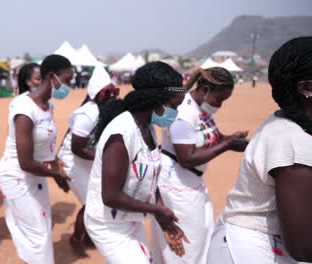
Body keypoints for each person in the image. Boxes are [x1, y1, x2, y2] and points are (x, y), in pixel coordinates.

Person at [207, 37, 312, 263]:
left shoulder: (291, 123)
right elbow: (303, 247)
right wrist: (224, 144)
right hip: (252, 249)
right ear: (306, 88)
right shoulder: (293, 142)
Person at [84, 62, 189, 264]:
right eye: (174, 107)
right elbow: (110, 196)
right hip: (106, 223)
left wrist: (165, 222)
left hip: (129, 218)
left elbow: (150, 180)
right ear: (157, 102)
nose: (175, 113)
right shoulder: (121, 134)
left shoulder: (148, 127)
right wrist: (156, 210)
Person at [150, 67, 248, 264]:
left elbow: (215, 139)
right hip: (176, 186)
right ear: (204, 90)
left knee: (203, 238)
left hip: (193, 184)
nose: (219, 105)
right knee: (186, 247)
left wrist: (239, 143)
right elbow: (186, 158)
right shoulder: (184, 112)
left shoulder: (202, 107)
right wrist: (227, 144)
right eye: (219, 99)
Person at [0, 54, 74, 264]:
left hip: (37, 174)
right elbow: (25, 162)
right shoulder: (24, 108)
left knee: (41, 227)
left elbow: (45, 145)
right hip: (17, 175)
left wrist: (55, 164)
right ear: (52, 77)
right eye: (67, 81)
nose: (70, 86)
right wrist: (56, 174)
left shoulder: (49, 105)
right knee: (38, 233)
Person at [57, 65, 119, 256]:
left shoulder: (108, 111)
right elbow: (76, 148)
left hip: (89, 160)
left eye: (114, 91)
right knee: (90, 203)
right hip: (73, 161)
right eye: (107, 92)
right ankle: (76, 238)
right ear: (96, 95)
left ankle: (90, 235)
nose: (112, 96)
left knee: (101, 199)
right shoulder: (88, 114)